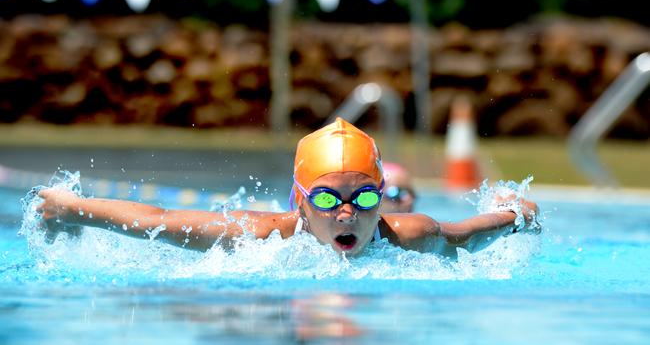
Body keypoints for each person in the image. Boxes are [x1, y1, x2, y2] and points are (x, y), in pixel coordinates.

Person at [37, 118, 539, 258]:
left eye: (364, 197)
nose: (347, 214)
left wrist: (515, 214)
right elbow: (159, 222)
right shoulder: (262, 239)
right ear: (298, 200)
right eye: (326, 198)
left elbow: (470, 232)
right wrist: (73, 208)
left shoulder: (410, 235)